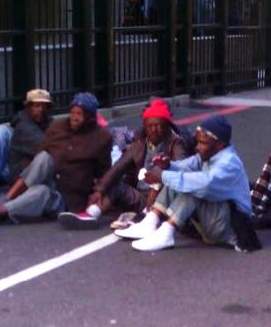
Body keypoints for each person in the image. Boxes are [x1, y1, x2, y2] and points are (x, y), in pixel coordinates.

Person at [113, 114, 260, 253]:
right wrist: (168, 166)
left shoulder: (229, 163)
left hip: (229, 228)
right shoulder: (209, 154)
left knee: (195, 185)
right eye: (198, 142)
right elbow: (186, 166)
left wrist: (163, 176)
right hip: (214, 221)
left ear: (220, 144)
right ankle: (151, 220)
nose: (197, 147)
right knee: (179, 177)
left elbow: (205, 184)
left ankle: (167, 231)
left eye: (203, 143)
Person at [0, 92, 112, 230]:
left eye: (79, 114)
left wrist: (99, 191)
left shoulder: (101, 138)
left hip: (67, 194)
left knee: (41, 193)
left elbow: (104, 171)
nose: (74, 117)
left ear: (89, 117)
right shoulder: (57, 127)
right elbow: (40, 152)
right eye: (72, 113)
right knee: (44, 158)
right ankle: (6, 198)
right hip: (45, 176)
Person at [58, 98, 191, 230]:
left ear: (167, 126)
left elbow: (180, 171)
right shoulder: (140, 143)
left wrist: (159, 183)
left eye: (159, 126)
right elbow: (117, 168)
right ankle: (91, 214)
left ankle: (149, 219)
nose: (154, 130)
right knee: (114, 183)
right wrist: (99, 190)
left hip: (160, 200)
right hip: (140, 196)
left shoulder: (176, 143)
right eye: (150, 126)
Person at [0, 88, 54, 183]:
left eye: (44, 106)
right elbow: (44, 147)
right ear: (28, 107)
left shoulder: (47, 121)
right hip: (17, 174)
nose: (41, 110)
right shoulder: (24, 125)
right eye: (37, 106)